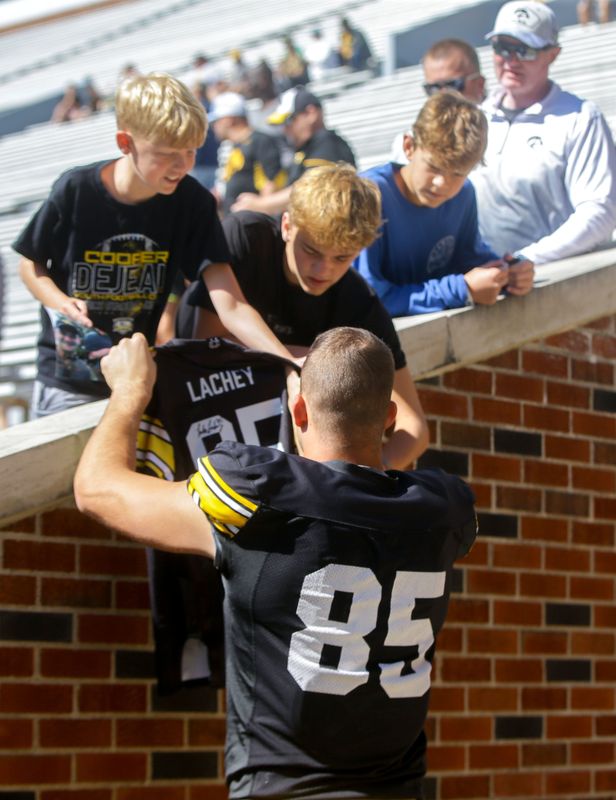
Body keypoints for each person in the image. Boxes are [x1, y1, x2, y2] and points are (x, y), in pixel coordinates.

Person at [74, 326, 477, 799]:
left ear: (298, 409)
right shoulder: (443, 510)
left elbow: (96, 489)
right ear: (387, 417)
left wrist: (130, 389)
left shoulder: (259, 497)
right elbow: (394, 446)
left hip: (283, 787)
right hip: (397, 789)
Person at [13, 72, 296, 417]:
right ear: (125, 142)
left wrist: (288, 359)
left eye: (191, 151)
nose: (181, 165)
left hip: (136, 374)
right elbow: (29, 264)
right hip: (70, 379)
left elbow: (231, 304)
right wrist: (60, 303)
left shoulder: (193, 203)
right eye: (165, 153)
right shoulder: (75, 190)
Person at [177, 163, 429, 467]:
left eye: (341, 257)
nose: (324, 270)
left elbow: (413, 429)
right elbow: (207, 347)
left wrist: (359, 483)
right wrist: (298, 359)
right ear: (287, 226)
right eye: (311, 250)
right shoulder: (246, 238)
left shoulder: (358, 301)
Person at [356, 91, 535, 316]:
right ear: (409, 146)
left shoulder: (464, 195)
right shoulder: (368, 196)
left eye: (457, 174)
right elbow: (368, 298)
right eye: (434, 167)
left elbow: (468, 259)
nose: (442, 184)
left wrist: (509, 273)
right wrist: (461, 290)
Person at [471, 0, 616, 264]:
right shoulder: (475, 117)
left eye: (525, 50)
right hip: (487, 282)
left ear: (553, 54)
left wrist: (525, 261)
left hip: (552, 283)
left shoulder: (580, 118)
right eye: (502, 48)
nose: (511, 61)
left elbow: (599, 211)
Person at [231, 86, 355, 216]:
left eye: (289, 121)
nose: (285, 129)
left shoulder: (327, 142)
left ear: (311, 113)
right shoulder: (309, 147)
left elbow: (314, 188)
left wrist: (261, 205)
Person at [391, 38, 486, 164]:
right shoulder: (410, 141)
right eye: (433, 88)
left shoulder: (500, 130)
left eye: (452, 85)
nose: (442, 96)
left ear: (479, 84)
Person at [208, 91, 286, 213]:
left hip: (253, 223)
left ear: (229, 120)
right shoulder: (232, 146)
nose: (213, 127)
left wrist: (262, 212)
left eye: (216, 121)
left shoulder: (260, 141)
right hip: (235, 220)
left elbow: (272, 182)